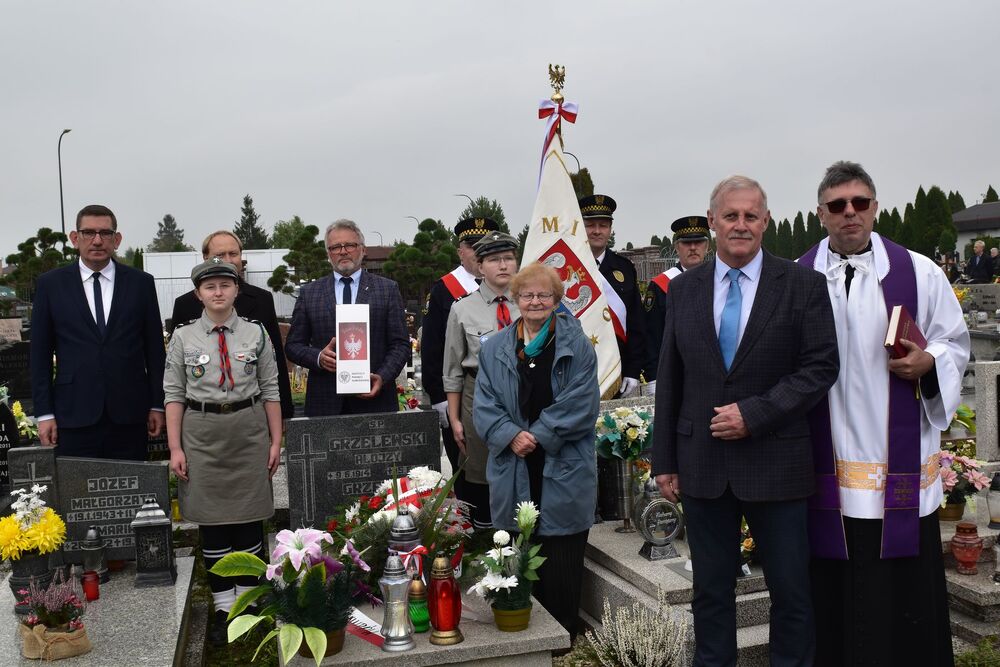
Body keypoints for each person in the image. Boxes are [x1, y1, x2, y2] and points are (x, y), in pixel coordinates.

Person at [652, 175, 840, 666]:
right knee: (711, 593)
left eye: (750, 215)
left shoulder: (802, 285)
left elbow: (821, 366)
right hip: (703, 464)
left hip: (776, 462)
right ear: (712, 221)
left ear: (766, 222)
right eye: (730, 215)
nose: (740, 225)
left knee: (791, 593)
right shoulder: (684, 290)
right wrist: (664, 460)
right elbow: (671, 377)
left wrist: (754, 414)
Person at [802, 161, 969, 667]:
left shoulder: (920, 272)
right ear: (821, 214)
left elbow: (955, 343)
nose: (849, 213)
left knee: (904, 599)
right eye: (837, 206)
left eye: (859, 203)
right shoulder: (796, 278)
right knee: (833, 591)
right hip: (826, 464)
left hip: (900, 464)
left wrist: (929, 362)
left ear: (875, 207)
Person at [474, 262, 599, 640]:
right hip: (514, 461)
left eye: (544, 295)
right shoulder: (494, 347)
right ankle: (523, 637)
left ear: (557, 299)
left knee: (560, 554)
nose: (535, 301)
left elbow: (583, 402)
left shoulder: (577, 344)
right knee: (517, 550)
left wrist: (539, 434)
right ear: (514, 299)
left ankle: (562, 637)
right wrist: (510, 434)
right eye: (527, 294)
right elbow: (484, 404)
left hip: (562, 461)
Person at [164, 257, 282, 646]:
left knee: (249, 523)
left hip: (247, 433)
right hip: (202, 436)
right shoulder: (183, 337)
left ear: (236, 290)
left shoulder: (256, 333)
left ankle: (248, 607)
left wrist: (275, 440)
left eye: (225, 286)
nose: (218, 292)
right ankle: (221, 608)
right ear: (198, 293)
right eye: (210, 287)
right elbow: (174, 395)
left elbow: (270, 390)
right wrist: (175, 446)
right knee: (213, 524)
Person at [30, 204, 166, 460]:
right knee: (78, 495)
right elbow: (40, 355)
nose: (97, 240)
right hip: (73, 414)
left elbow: (155, 350)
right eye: (88, 232)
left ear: (117, 239)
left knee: (132, 493)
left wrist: (157, 403)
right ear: (74, 238)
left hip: (130, 413)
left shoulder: (141, 284)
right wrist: (44, 413)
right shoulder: (51, 285)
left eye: (105, 233)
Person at [285, 219, 410, 416]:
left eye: (350, 245)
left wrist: (382, 377)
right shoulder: (310, 293)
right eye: (335, 247)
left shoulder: (387, 289)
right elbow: (293, 345)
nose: (343, 251)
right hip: (324, 403)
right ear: (328, 253)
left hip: (376, 400)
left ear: (362, 249)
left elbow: (400, 344)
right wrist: (318, 357)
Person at [168, 230, 294, 420]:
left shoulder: (262, 300)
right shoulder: (185, 305)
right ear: (205, 258)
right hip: (202, 418)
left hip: (252, 414)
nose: (228, 260)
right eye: (220, 255)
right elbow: (176, 374)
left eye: (233, 254)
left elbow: (276, 362)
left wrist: (284, 411)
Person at [443, 231, 520, 530]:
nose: (503, 265)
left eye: (509, 258)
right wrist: (455, 419)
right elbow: (452, 370)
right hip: (479, 397)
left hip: (521, 396)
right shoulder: (462, 309)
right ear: (480, 266)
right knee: (481, 473)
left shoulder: (529, 303)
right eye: (494, 260)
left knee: (521, 470)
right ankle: (488, 544)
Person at [421, 217, 500, 476]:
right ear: (460, 251)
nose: (478, 250)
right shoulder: (444, 289)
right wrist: (439, 397)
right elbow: (433, 348)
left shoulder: (507, 286)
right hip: (461, 392)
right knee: (466, 466)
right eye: (471, 245)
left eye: (485, 244)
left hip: (502, 391)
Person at [579, 194, 647, 397]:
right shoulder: (568, 268)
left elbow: (636, 322)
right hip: (576, 369)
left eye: (603, 225)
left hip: (617, 366)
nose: (597, 231)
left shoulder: (624, 268)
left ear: (610, 229)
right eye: (591, 225)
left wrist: (634, 371)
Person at [645, 216, 711, 392]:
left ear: (707, 246)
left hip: (712, 371)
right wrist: (653, 377)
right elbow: (652, 334)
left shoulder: (721, 281)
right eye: (686, 243)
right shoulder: (660, 285)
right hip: (674, 370)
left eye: (698, 242)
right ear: (676, 247)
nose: (693, 247)